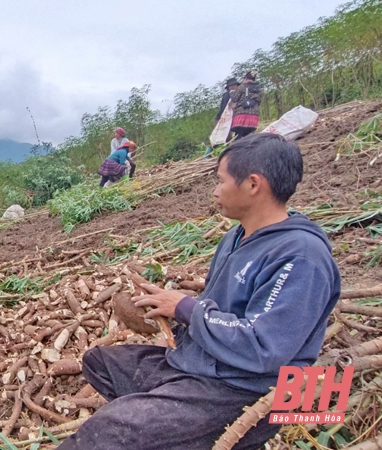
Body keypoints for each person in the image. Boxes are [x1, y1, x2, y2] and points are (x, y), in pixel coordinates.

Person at [58, 133, 340, 450]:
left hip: (246, 387)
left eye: (221, 181)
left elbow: (264, 347)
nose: (215, 191)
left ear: (253, 184)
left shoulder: (300, 257)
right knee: (100, 361)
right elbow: (220, 309)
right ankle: (175, 427)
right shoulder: (236, 237)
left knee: (108, 430)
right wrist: (167, 312)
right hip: (203, 363)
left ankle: (187, 427)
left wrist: (186, 309)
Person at [230, 70, 263, 140]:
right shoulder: (259, 89)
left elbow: (234, 99)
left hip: (242, 115)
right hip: (253, 116)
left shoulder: (242, 87)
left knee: (239, 135)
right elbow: (259, 101)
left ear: (246, 78)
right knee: (249, 136)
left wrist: (232, 93)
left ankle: (237, 148)